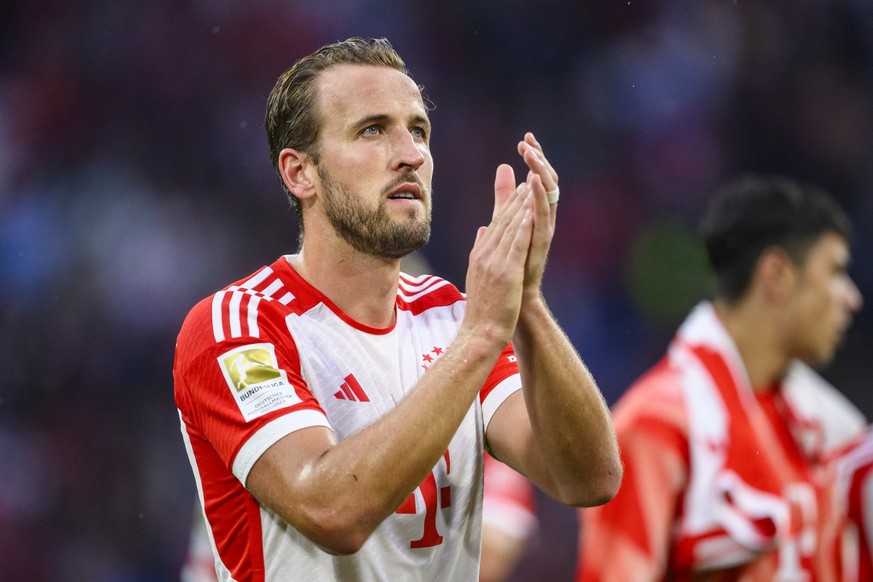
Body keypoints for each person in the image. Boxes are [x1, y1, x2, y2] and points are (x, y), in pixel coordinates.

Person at [174, 37, 621, 581]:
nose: (410, 153)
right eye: (372, 130)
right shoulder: (239, 326)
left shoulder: (450, 315)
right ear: (300, 173)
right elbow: (329, 509)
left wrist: (526, 304)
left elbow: (589, 477)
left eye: (418, 131)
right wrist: (480, 335)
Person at [575, 175, 866, 581]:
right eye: (835, 271)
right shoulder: (654, 426)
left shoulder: (834, 433)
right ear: (777, 273)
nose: (851, 297)